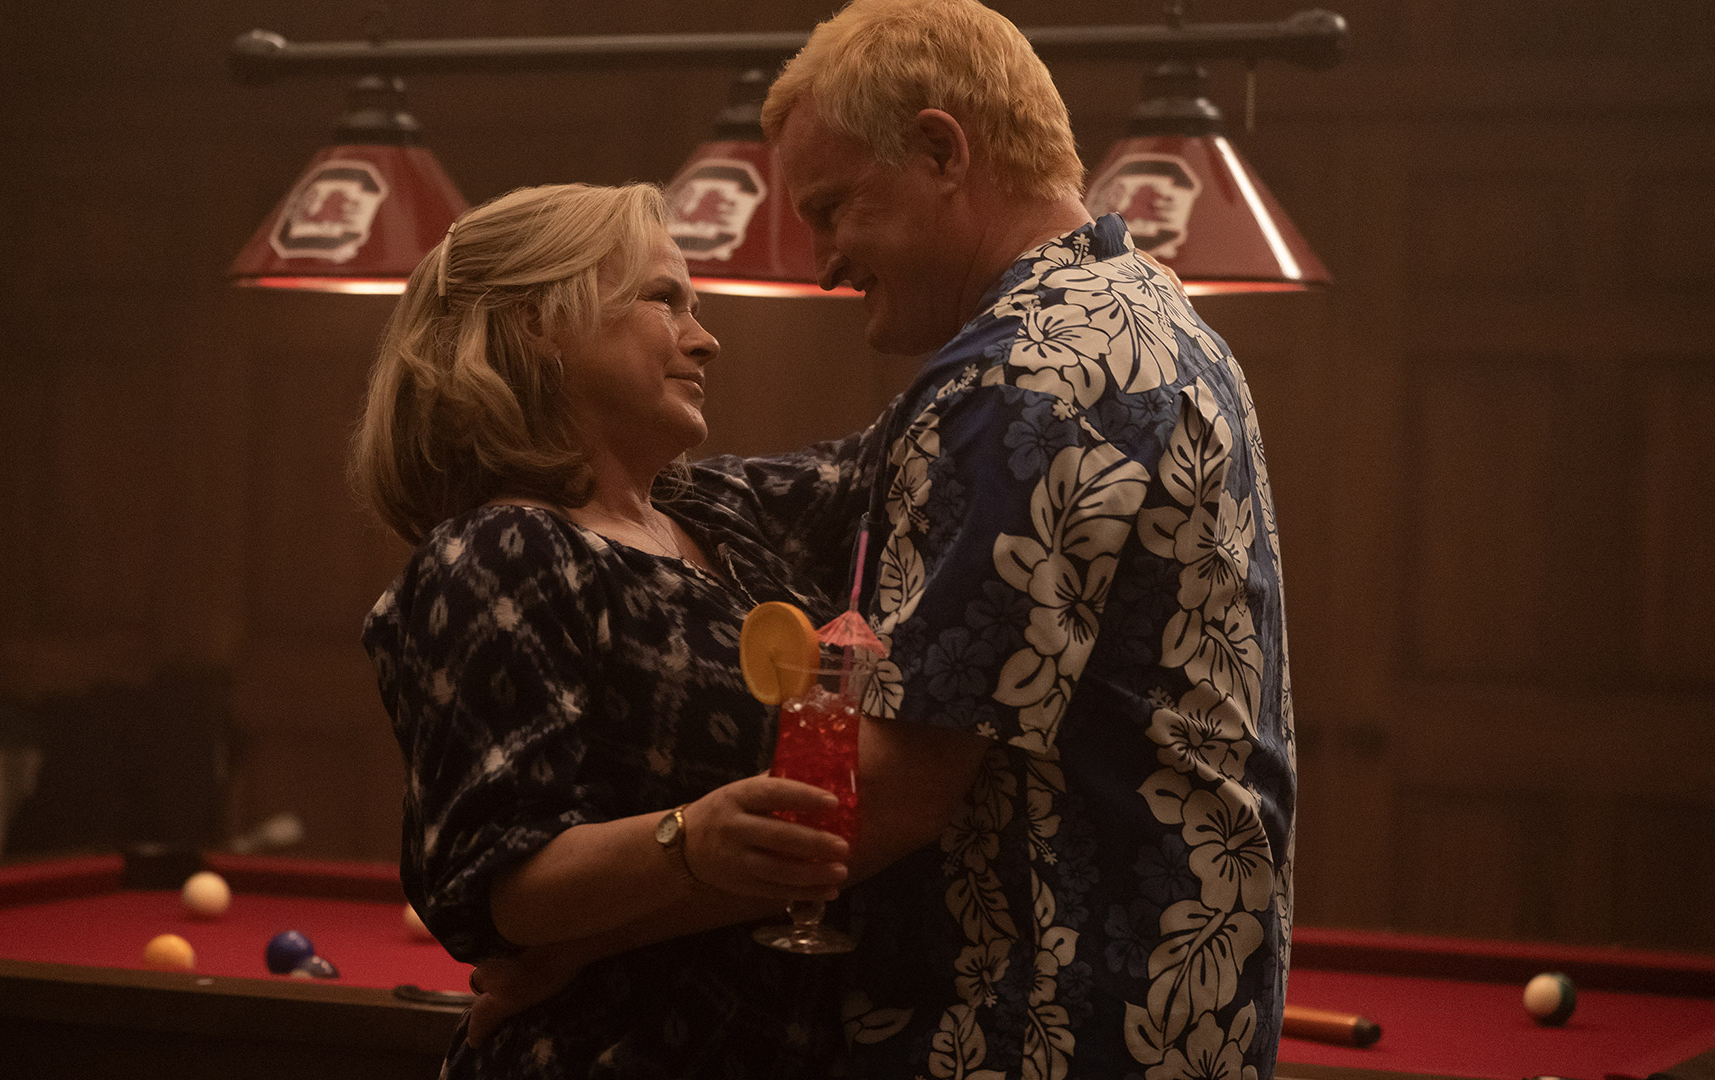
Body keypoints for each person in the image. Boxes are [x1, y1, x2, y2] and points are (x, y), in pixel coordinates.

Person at [468, 2, 1296, 1078]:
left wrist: (574, 944)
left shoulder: (1015, 380)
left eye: (833, 208)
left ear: (944, 150)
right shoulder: (1148, 315)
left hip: (1038, 1030)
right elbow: (840, 485)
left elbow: (892, 791)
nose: (823, 264)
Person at [352, 181, 857, 1078]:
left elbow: (908, 448)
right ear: (539, 322)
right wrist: (688, 842)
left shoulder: (719, 510)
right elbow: (493, 886)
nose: (705, 337)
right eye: (665, 300)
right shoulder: (501, 547)